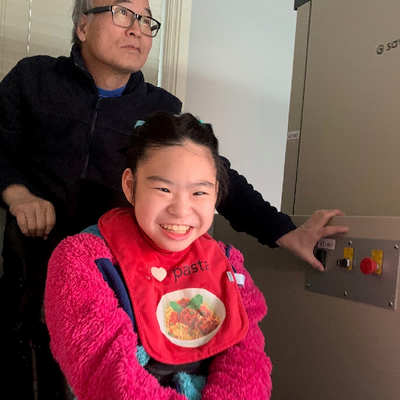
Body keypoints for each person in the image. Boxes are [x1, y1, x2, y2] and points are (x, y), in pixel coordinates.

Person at [0, 0, 347, 397]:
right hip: (42, 257)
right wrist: (19, 194)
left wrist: (285, 232)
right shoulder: (34, 79)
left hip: (132, 272)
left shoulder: (158, 107)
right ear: (82, 25)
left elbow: (212, 172)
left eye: (147, 20)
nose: (137, 29)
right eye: (122, 13)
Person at [45, 112, 273, 400]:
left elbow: (247, 363)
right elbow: (107, 378)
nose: (181, 209)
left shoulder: (227, 262)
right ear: (130, 186)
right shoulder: (83, 259)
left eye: (200, 193)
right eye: (163, 189)